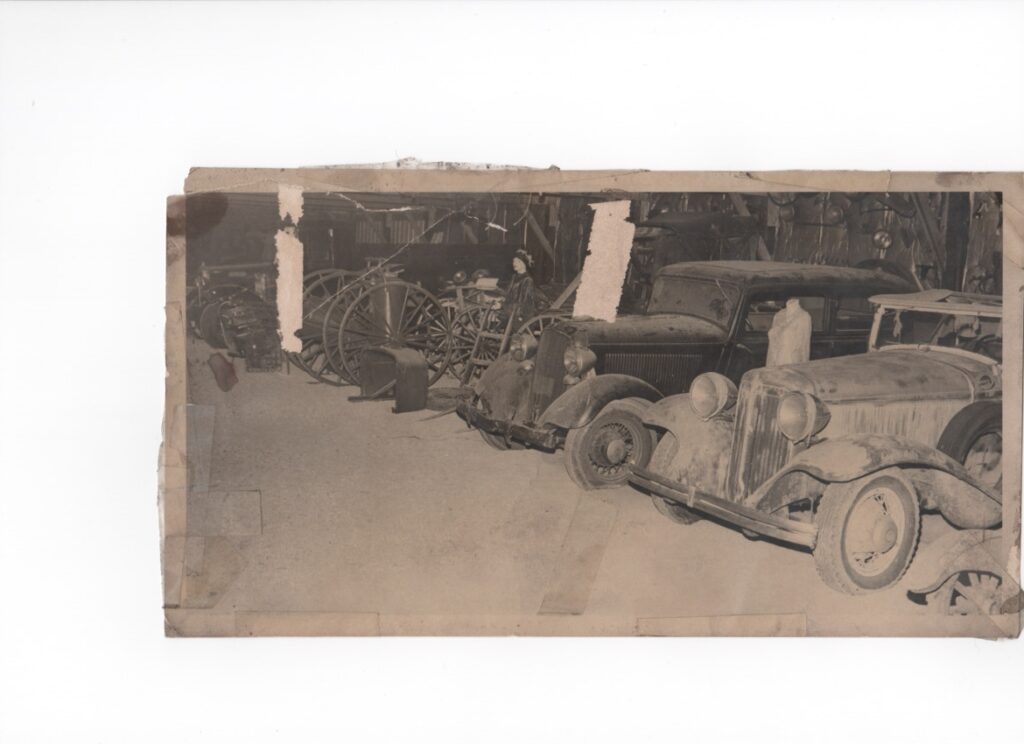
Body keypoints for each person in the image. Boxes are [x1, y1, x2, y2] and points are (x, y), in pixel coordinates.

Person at [766, 298, 812, 367]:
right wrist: (769, 366)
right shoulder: (778, 315)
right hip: (775, 363)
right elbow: (771, 348)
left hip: (791, 362)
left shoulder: (804, 316)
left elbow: (805, 346)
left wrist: (804, 367)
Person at [502, 249, 539, 329]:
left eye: (518, 261)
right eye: (513, 261)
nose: (514, 264)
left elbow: (525, 302)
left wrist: (504, 306)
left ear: (524, 264)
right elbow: (508, 294)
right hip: (512, 310)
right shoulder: (514, 277)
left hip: (521, 315)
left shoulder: (528, 280)